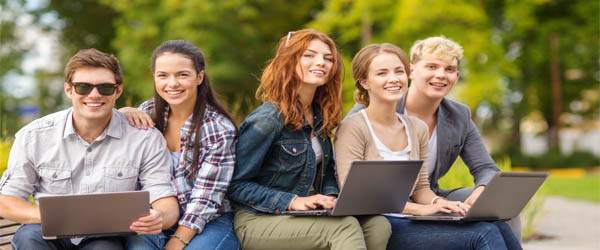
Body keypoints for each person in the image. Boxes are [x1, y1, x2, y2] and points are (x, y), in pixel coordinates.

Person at [335, 43, 522, 250]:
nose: (393, 78)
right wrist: (420, 210)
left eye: (398, 71)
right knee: (482, 234)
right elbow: (356, 194)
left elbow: (422, 187)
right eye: (382, 73)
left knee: (495, 223)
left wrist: (437, 203)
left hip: (411, 214)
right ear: (364, 82)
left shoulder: (416, 127)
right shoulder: (354, 125)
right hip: (378, 220)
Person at [226, 29, 391, 250]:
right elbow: (236, 186)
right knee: (344, 227)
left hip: (305, 214)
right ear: (288, 61)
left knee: (378, 225)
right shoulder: (267, 120)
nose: (321, 62)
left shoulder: (320, 115)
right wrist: (293, 201)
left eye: (328, 58)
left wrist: (332, 197)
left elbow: (327, 170)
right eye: (309, 55)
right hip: (259, 219)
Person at [0, 48, 179, 250]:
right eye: (83, 87)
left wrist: (159, 217)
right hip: (47, 231)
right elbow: (6, 201)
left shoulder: (144, 138)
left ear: (118, 90)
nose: (94, 95)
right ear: (68, 90)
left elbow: (166, 202)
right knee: (28, 238)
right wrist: (54, 217)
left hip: (104, 236)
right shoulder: (34, 136)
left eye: (105, 87)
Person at [119, 40, 239, 250]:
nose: (172, 84)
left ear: (199, 77)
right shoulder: (146, 112)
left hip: (209, 221)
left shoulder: (218, 128)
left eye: (182, 75)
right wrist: (121, 114)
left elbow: (206, 200)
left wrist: (176, 242)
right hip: (157, 217)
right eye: (163, 75)